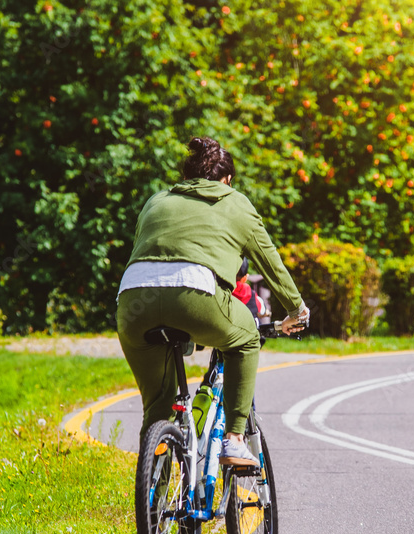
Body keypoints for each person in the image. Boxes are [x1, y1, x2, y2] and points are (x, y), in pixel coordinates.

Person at [117, 136, 309, 467]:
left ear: (186, 176)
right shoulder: (236, 203)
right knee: (246, 337)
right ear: (227, 179)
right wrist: (297, 310)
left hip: (133, 303)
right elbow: (271, 264)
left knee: (158, 408)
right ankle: (234, 440)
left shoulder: (156, 200)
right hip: (196, 296)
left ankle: (153, 486)